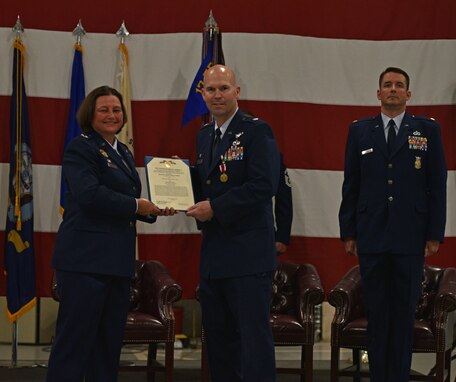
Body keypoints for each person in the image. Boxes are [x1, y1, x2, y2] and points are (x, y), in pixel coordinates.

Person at [46, 86, 174, 382]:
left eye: (116, 110)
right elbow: (89, 195)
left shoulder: (123, 151)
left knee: (108, 345)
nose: (111, 115)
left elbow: (131, 200)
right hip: (84, 263)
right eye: (103, 109)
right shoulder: (81, 148)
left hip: (116, 263)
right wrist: (137, 205)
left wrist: (156, 208)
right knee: (74, 343)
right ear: (89, 114)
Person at [339, 67, 447, 382]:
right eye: (387, 85)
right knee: (377, 314)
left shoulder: (426, 130)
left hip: (409, 237)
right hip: (371, 235)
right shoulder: (360, 131)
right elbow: (351, 184)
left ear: (408, 94)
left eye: (399, 85)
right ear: (378, 93)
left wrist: (434, 233)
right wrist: (348, 231)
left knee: (402, 316)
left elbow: (436, 185)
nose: (393, 90)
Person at [186, 65, 281, 381]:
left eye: (224, 88)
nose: (217, 95)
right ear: (203, 94)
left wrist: (215, 208)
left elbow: (264, 185)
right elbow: (205, 185)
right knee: (219, 341)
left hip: (248, 256)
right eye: (210, 90)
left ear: (237, 92)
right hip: (214, 256)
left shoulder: (257, 131)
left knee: (253, 341)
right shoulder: (204, 136)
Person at [241, 110, 293, 254]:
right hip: (221, 233)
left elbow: (283, 196)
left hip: (258, 232)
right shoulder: (216, 154)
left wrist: (282, 236)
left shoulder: (271, 155)